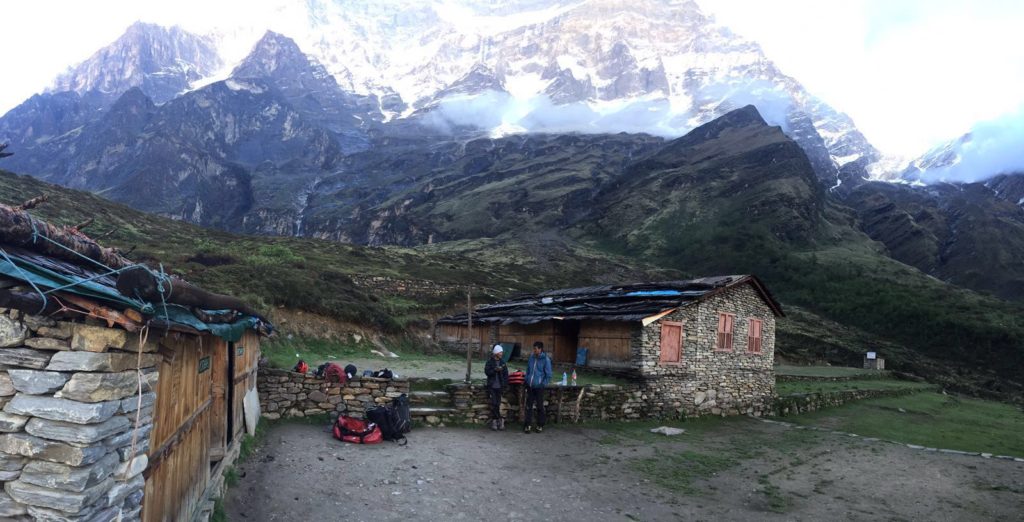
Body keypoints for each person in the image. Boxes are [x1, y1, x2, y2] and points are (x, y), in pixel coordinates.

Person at [523, 341, 552, 433]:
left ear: (540, 349)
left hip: (539, 387)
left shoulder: (546, 360)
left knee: (540, 406)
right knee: (529, 406)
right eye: (534, 348)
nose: (534, 350)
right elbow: (528, 370)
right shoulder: (531, 358)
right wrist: (527, 379)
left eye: (535, 349)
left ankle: (540, 425)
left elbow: (548, 375)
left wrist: (542, 384)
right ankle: (528, 425)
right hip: (530, 386)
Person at [484, 344, 509, 431]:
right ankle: (497, 420)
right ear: (496, 353)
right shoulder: (490, 362)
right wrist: (495, 370)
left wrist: (505, 385)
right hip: (492, 386)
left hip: (500, 387)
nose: (501, 353)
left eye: (502, 352)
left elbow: (506, 375)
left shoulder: (503, 363)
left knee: (498, 404)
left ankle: (498, 420)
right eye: (500, 352)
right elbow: (487, 372)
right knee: (494, 403)